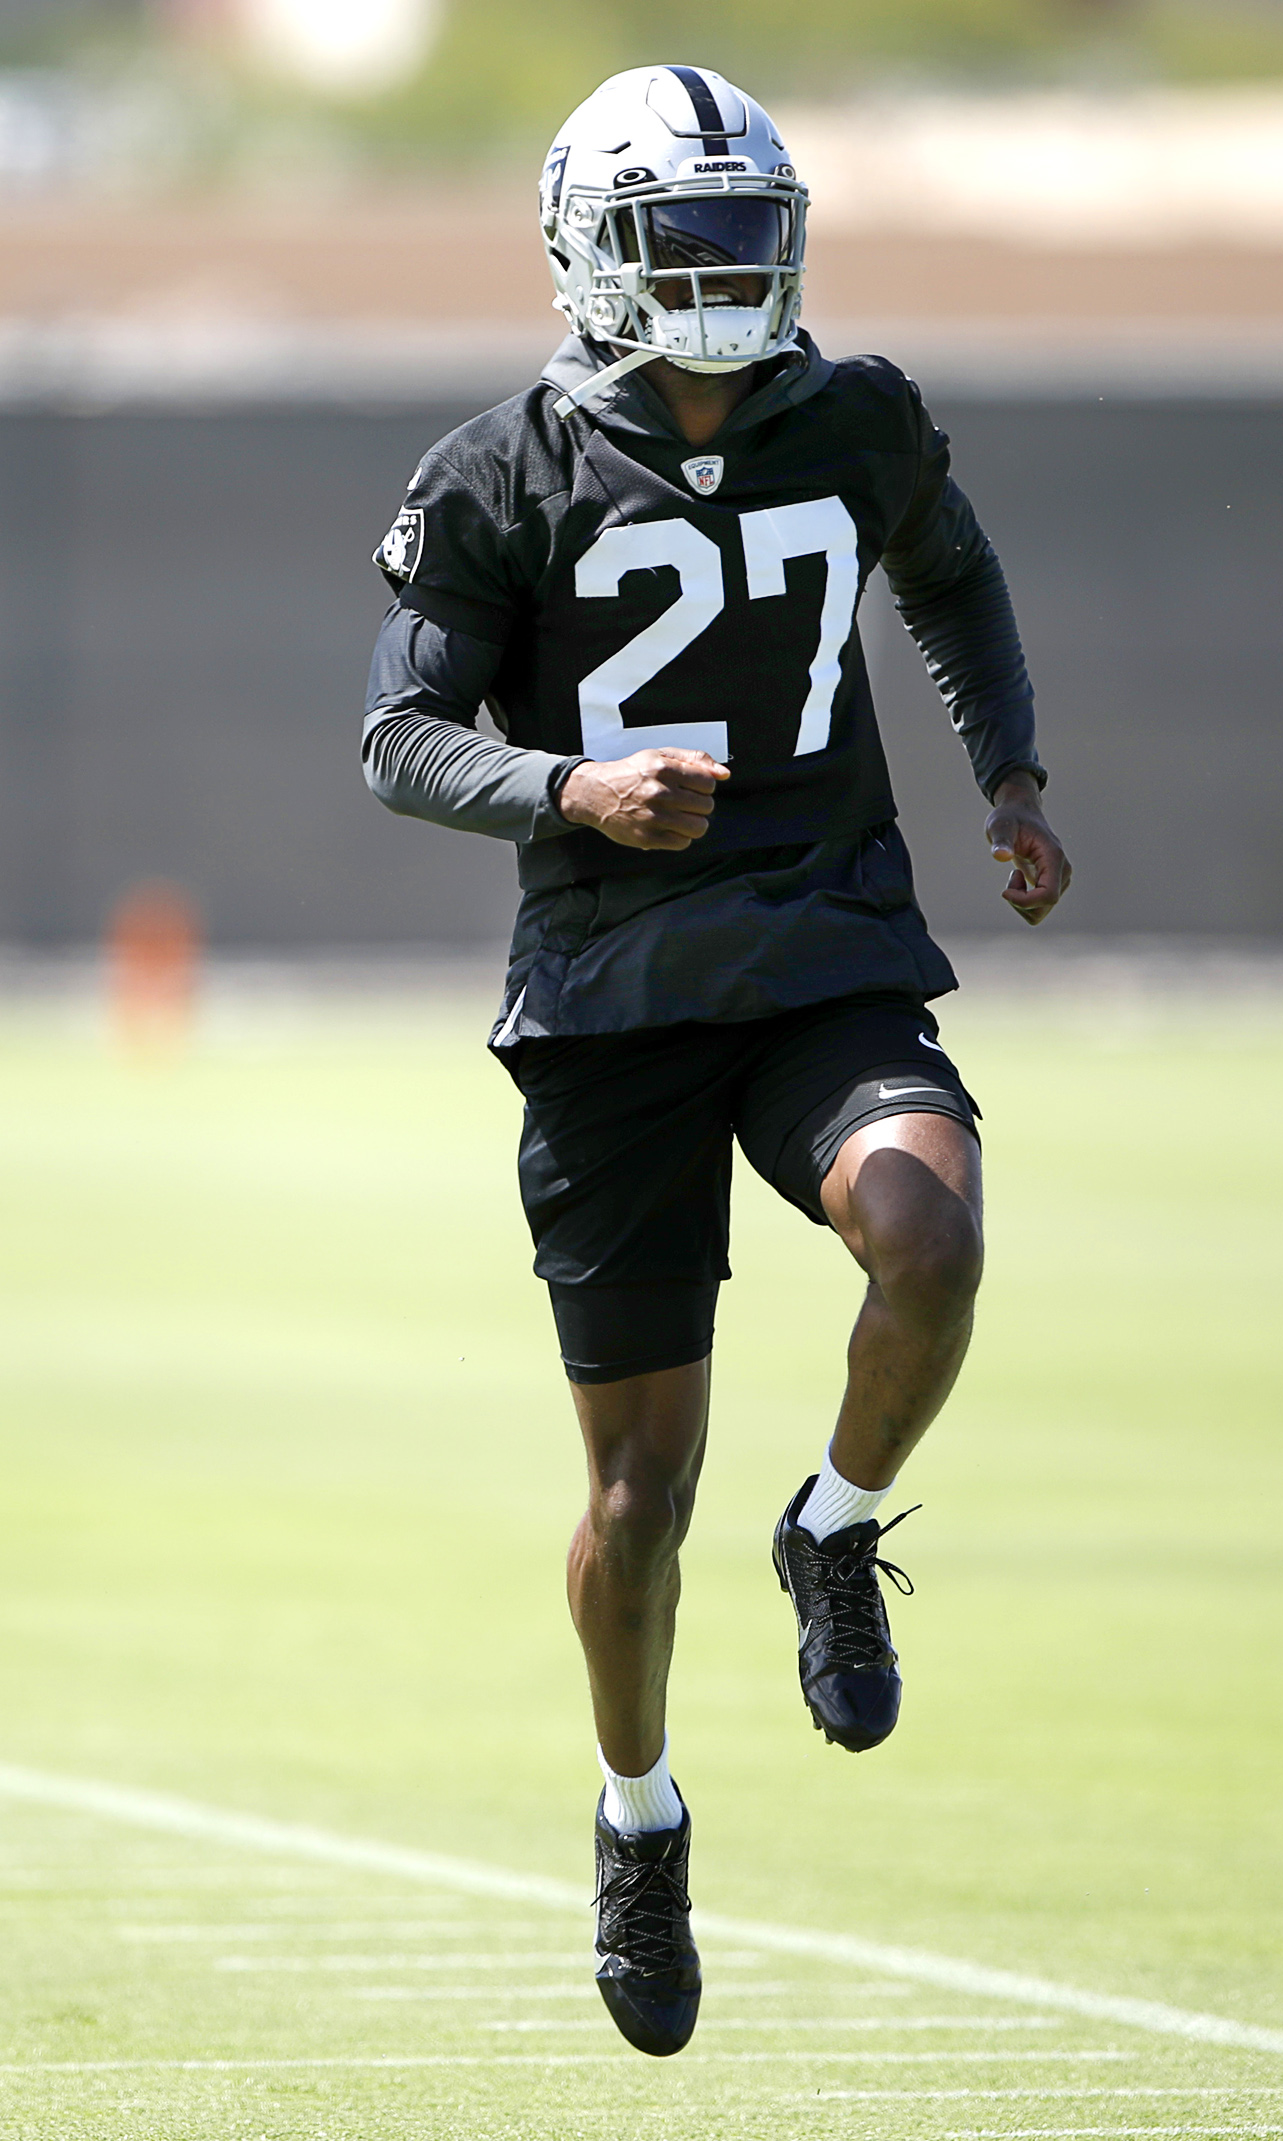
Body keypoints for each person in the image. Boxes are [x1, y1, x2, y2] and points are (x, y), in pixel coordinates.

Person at [362, 61, 1068, 2061]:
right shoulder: (499, 472)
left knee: (925, 1235)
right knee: (632, 1502)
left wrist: (1005, 772)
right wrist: (568, 783)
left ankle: (837, 1524)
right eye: (689, 238)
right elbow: (399, 738)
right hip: (606, 1002)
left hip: (822, 941)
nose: (729, 271)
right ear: (592, 253)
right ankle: (640, 1814)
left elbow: (952, 573)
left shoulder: (852, 418)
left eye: (753, 233)